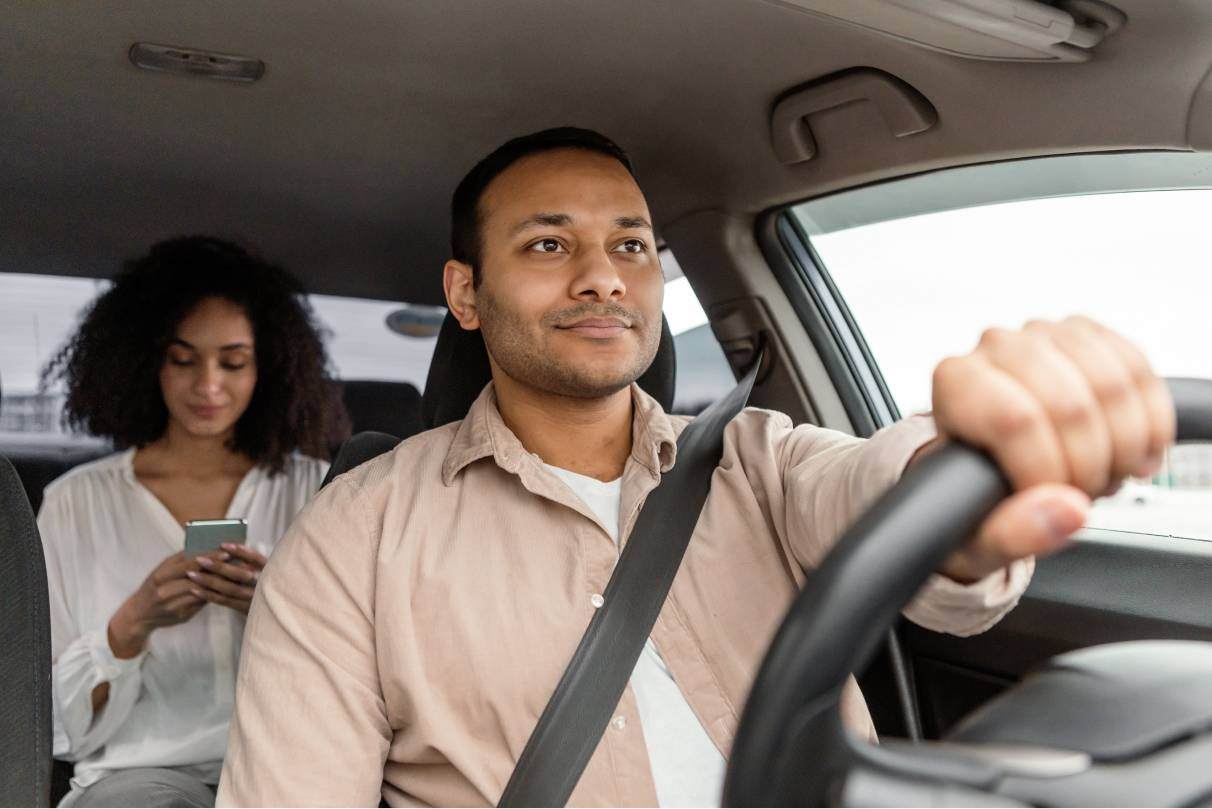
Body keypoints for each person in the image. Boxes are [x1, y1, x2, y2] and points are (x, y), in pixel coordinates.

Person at [217, 129, 1174, 807]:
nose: (603, 275)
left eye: (630, 245)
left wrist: (963, 479)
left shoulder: (758, 457)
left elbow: (873, 484)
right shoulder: (353, 536)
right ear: (465, 293)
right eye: (549, 243)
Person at [39, 236, 345, 807]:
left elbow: (378, 676)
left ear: (270, 367)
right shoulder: (74, 504)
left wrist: (279, 605)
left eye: (233, 362)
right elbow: (52, 727)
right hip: (140, 781)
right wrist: (130, 625)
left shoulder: (321, 489)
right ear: (145, 363)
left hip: (298, 770)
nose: (208, 386)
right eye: (183, 360)